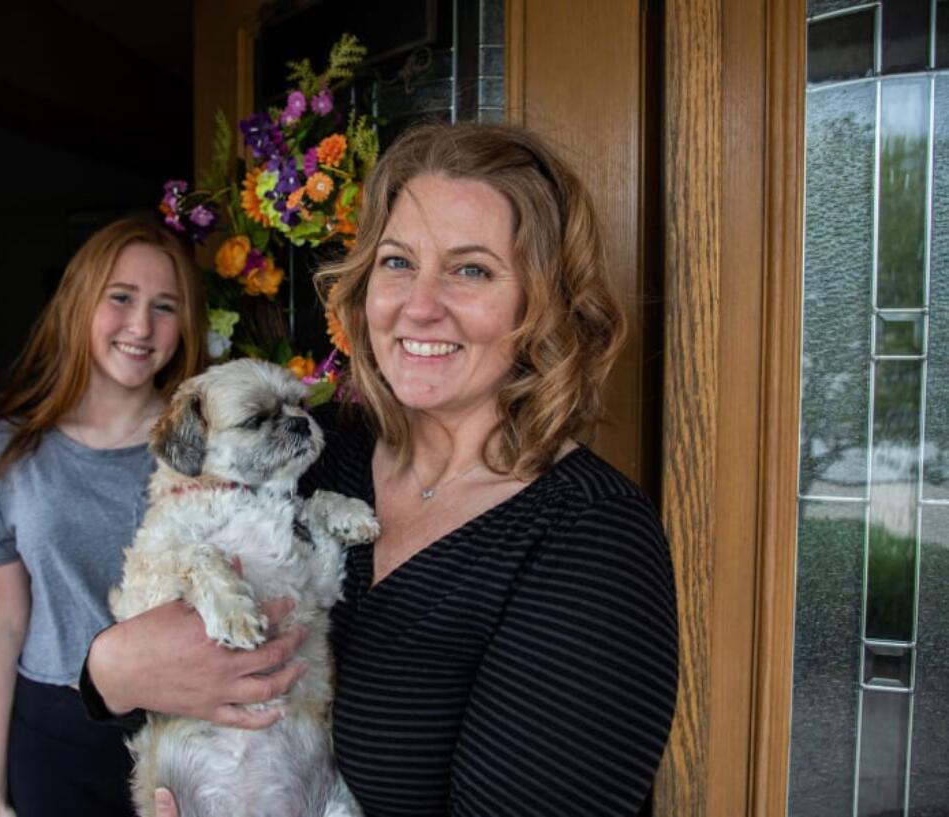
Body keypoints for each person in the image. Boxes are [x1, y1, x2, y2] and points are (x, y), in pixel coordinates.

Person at [83, 122, 679, 816]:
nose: (418, 306)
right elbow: (162, 661)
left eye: (472, 269)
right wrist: (111, 672)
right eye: (397, 262)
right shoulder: (313, 450)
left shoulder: (592, 541)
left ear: (543, 302)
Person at [0, 218, 209, 817]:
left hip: (182, 731)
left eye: (165, 306)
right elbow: (3, 620)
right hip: (50, 736)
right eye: (121, 298)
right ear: (80, 304)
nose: (140, 326)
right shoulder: (11, 449)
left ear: (185, 326)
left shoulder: (206, 448)